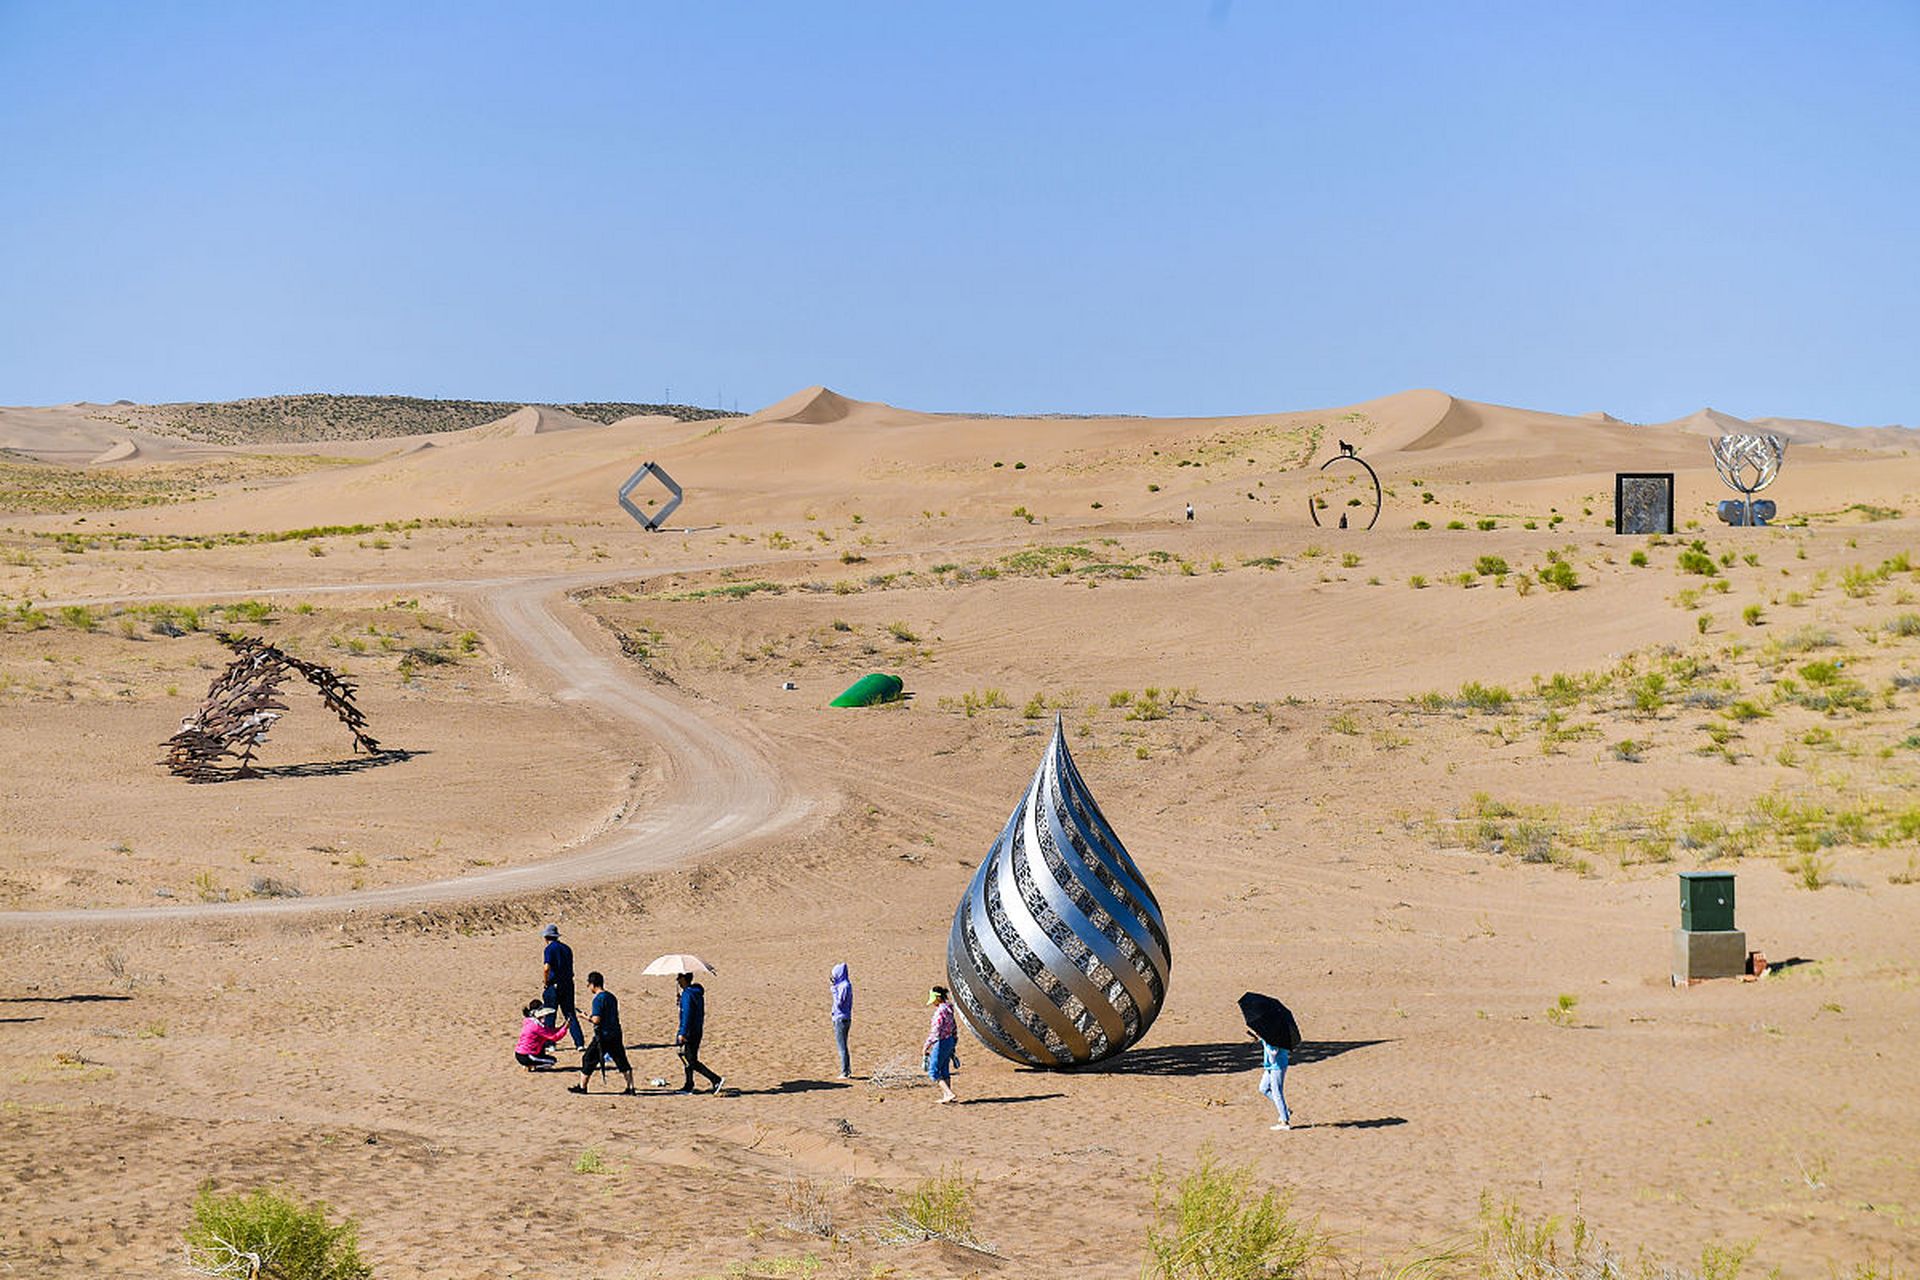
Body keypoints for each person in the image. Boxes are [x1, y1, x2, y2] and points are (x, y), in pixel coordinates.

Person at [569, 971, 634, 1095]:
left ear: (593, 984)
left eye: (588, 984)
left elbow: (596, 1020)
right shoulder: (611, 996)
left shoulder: (598, 999)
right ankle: (630, 1087)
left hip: (603, 1035)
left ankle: (582, 1087)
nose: (589, 987)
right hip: (615, 1033)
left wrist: (585, 1017)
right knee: (621, 1060)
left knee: (588, 1058)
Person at [675, 972, 724, 1094]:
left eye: (679, 978)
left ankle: (715, 1079)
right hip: (696, 1030)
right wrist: (681, 1003)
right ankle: (689, 1084)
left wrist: (682, 1033)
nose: (677, 981)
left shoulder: (688, 994)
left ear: (684, 979)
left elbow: (687, 1015)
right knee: (686, 1057)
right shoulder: (694, 993)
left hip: (690, 1032)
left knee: (690, 1060)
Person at [541, 924, 583, 1050]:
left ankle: (550, 1043)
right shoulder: (567, 948)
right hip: (568, 984)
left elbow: (546, 967)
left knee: (550, 1014)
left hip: (554, 984)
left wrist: (545, 981)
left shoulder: (549, 949)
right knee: (570, 1014)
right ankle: (579, 1042)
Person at [514, 999, 571, 1071]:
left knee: (546, 1056)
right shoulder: (535, 1026)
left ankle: (529, 1064)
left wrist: (562, 1026)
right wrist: (565, 1028)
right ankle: (532, 1066)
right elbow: (554, 1037)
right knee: (552, 1061)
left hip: (520, 1053)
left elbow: (549, 1032)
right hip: (526, 1054)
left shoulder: (530, 1021)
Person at [924, 985, 957, 1104]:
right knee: (944, 1069)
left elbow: (936, 1031)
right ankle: (946, 1096)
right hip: (949, 1041)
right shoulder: (949, 1010)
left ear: (937, 998)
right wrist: (954, 1042)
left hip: (941, 1042)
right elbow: (954, 1027)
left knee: (933, 1071)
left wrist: (926, 1046)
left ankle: (949, 1093)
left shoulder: (940, 1012)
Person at [1255, 1028, 1291, 1130]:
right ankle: (1285, 1111)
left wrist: (1265, 1042)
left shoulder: (1273, 1036)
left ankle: (1284, 1122)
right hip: (1272, 1066)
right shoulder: (1273, 1033)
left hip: (1276, 1066)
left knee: (1277, 1092)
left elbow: (1273, 1054)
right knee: (1263, 1088)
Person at [829, 962, 854, 1078]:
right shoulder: (843, 985)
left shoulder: (844, 986)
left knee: (842, 1047)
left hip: (841, 1019)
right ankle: (846, 1070)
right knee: (843, 1045)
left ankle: (845, 1071)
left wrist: (834, 990)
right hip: (842, 1018)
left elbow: (839, 1004)